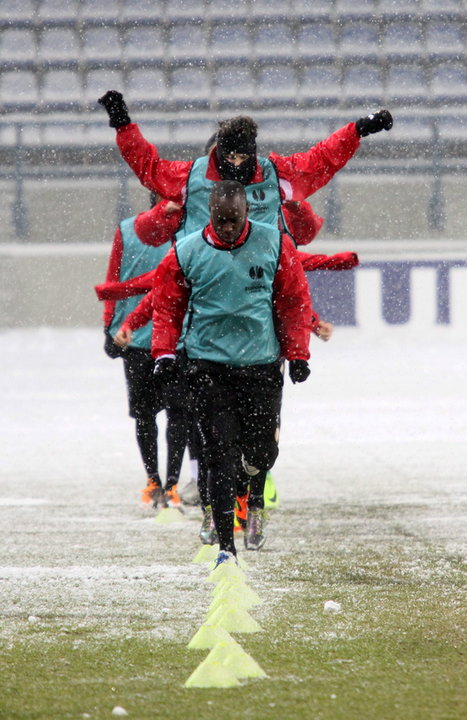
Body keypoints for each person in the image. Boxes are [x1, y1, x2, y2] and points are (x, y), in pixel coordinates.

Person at [150, 180, 313, 564]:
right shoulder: (186, 252)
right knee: (217, 455)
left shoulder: (274, 244)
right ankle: (226, 545)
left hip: (261, 366)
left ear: (247, 213)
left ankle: (248, 488)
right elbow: (168, 306)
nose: (226, 227)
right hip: (208, 367)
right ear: (209, 214)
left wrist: (299, 353)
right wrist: (163, 353)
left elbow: (294, 300)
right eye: (220, 221)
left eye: (233, 220)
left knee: (262, 452)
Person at [97, 90, 393, 242]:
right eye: (229, 157)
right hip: (204, 280)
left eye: (243, 157)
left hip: (258, 280)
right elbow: (148, 167)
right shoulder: (192, 176)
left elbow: (321, 160)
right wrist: (123, 125)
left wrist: (357, 130)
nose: (236, 164)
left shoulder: (276, 175)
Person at [102, 192, 192, 509]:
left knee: (177, 415)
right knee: (148, 416)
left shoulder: (191, 233)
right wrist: (111, 328)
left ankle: (170, 484)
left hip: (177, 342)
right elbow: (115, 278)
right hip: (141, 340)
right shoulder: (128, 231)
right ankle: (156, 481)